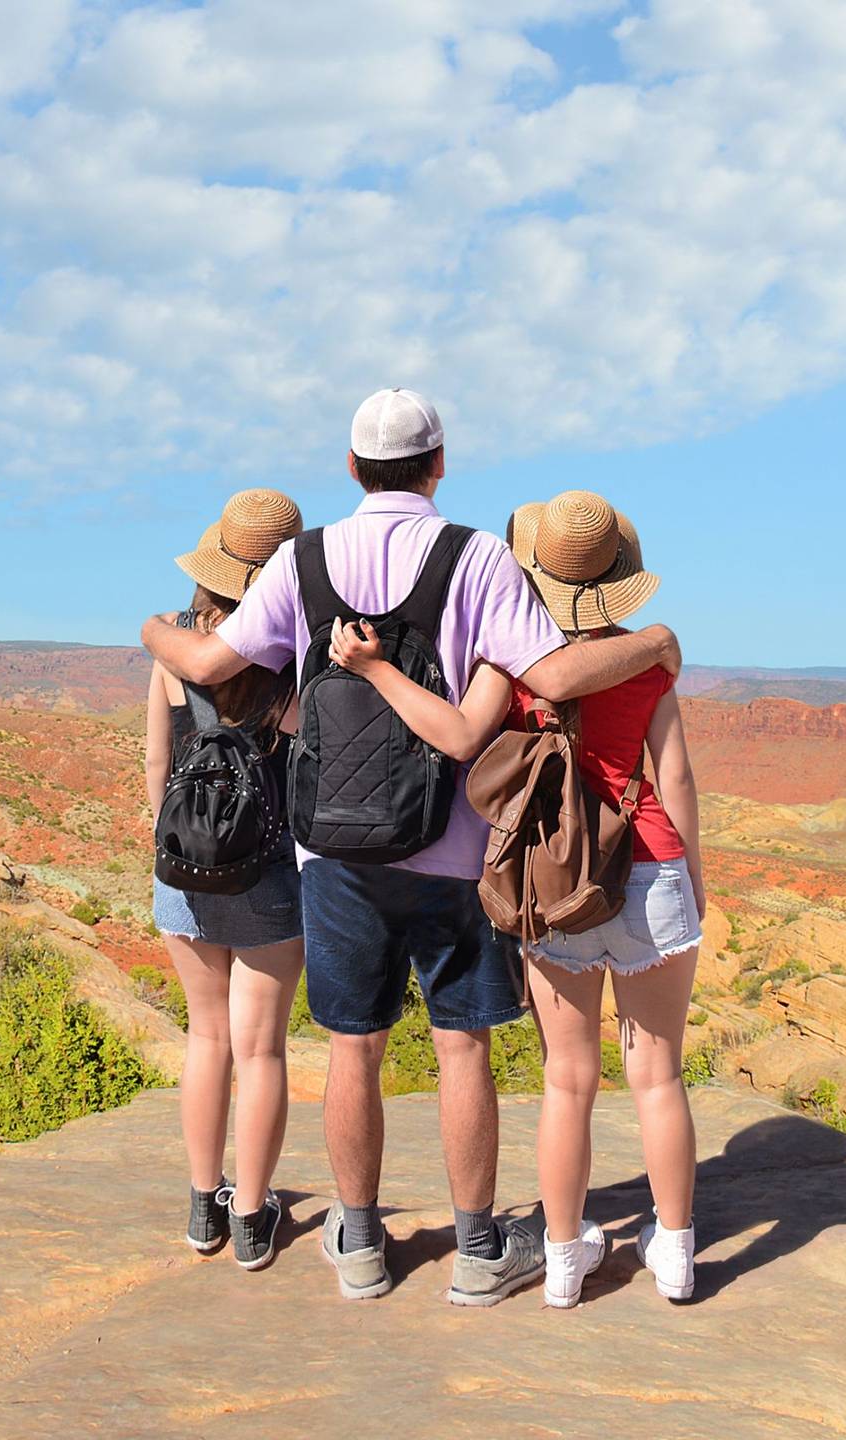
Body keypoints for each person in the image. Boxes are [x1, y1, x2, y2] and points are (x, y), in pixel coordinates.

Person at [142, 390, 682, 1306]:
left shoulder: (303, 562)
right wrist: (660, 642)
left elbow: (202, 666)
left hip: (334, 855)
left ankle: (358, 1245)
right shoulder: (475, 557)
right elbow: (550, 675)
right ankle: (477, 1250)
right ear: (439, 464)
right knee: (460, 1049)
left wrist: (152, 630)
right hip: (455, 851)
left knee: (354, 1050)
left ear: (351, 468)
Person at [327, 489, 703, 1307]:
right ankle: (674, 1256)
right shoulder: (648, 661)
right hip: (649, 868)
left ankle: (563, 1264)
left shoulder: (509, 664)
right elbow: (671, 780)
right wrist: (692, 880)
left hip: (552, 881)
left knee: (568, 1080)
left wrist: (373, 668)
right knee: (659, 1076)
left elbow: (462, 737)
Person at [147, 488, 307, 1272]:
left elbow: (156, 762)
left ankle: (202, 1206)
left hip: (184, 869)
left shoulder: (175, 645)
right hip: (269, 873)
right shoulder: (292, 650)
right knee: (262, 1049)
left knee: (205, 1038)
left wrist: (176, 848)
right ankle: (251, 1218)